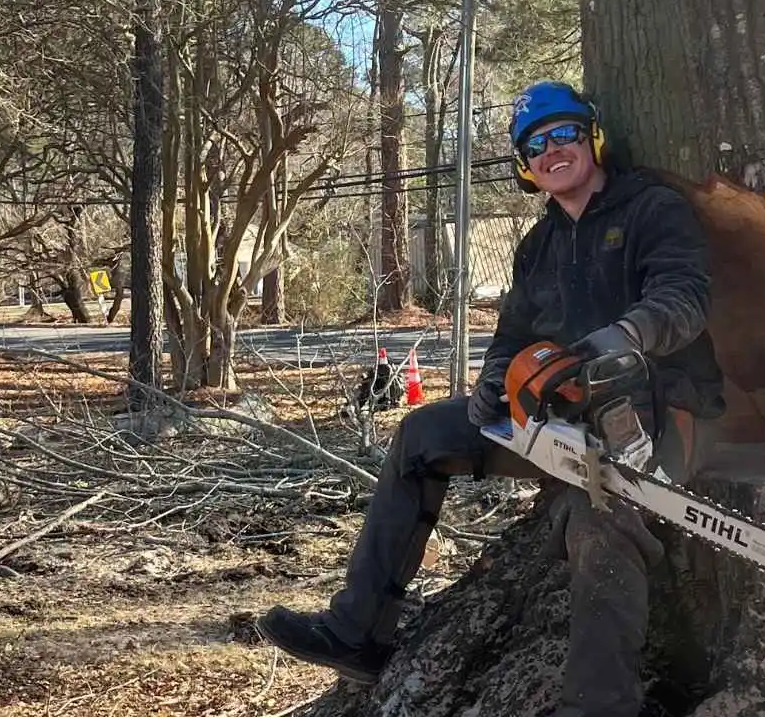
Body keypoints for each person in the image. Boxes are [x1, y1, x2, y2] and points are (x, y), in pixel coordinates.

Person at [257, 80, 723, 717]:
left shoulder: (650, 208)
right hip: (563, 415)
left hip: (657, 410)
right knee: (422, 434)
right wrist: (492, 388)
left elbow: (685, 297)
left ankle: (598, 706)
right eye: (536, 145)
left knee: (600, 524)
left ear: (592, 137)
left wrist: (622, 339)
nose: (552, 150)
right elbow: (512, 335)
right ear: (526, 166)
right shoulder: (540, 245)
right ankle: (358, 631)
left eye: (563, 134)